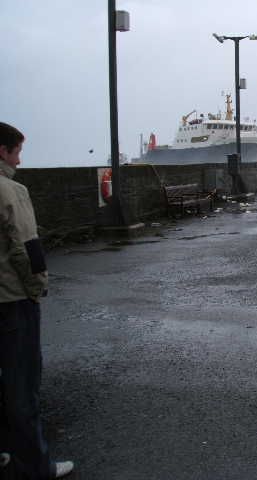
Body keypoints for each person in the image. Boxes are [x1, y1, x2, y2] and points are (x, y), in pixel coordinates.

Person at [0, 122, 73, 479]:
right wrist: (37, 287)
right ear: (4, 151)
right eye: (17, 151)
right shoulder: (11, 190)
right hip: (11, 300)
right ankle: (35, 468)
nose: (20, 159)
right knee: (22, 386)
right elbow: (27, 248)